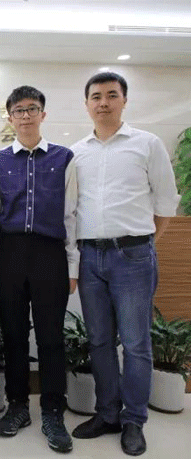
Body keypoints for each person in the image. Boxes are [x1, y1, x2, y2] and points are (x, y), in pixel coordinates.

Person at [70, 72, 180, 456]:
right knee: (99, 340)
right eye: (96, 96)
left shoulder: (146, 144)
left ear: (124, 101)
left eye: (111, 95)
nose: (103, 102)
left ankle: (134, 420)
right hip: (90, 256)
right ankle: (107, 414)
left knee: (136, 343)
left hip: (133, 256)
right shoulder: (76, 152)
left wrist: (142, 244)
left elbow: (165, 203)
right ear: (87, 104)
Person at [0, 86, 77, 453]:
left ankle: (53, 412)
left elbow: (71, 214)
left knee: (52, 337)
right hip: (9, 254)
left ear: (43, 114)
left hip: (50, 253)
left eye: (32, 109)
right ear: (9, 117)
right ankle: (18, 406)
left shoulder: (64, 158)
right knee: (14, 335)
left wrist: (73, 264)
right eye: (19, 110)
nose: (26, 115)